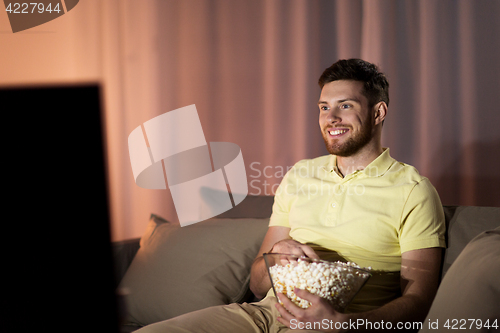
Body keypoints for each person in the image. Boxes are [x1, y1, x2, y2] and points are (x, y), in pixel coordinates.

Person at [135, 59, 446, 332]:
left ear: (378, 112)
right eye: (324, 107)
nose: (331, 118)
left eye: (346, 106)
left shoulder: (413, 190)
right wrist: (275, 258)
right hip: (262, 315)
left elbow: (419, 304)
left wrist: (344, 325)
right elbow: (257, 285)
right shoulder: (300, 174)